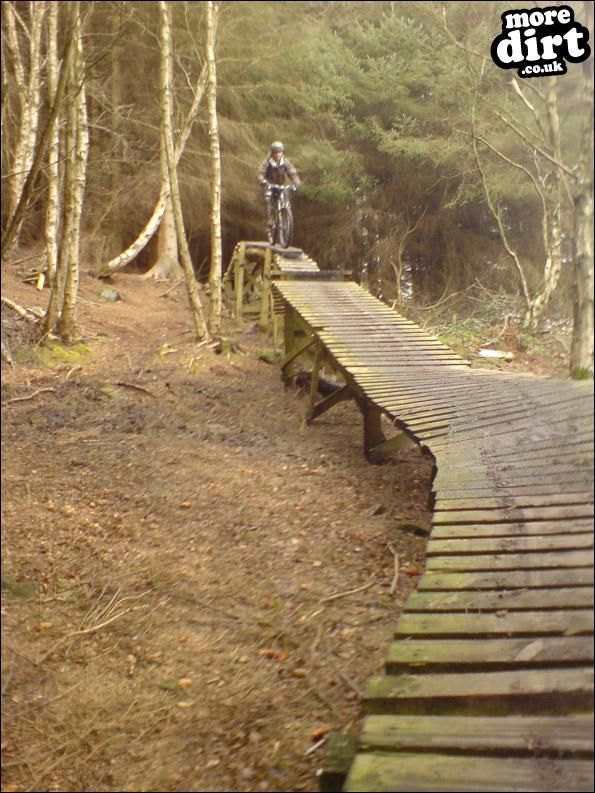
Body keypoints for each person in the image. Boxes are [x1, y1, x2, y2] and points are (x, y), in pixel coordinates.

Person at [257, 141, 301, 242]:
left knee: (286, 195)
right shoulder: (267, 162)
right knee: (268, 199)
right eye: (276, 152)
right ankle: (271, 219)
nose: (278, 154)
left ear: (282, 153)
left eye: (280, 152)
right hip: (269, 185)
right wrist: (262, 180)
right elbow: (260, 173)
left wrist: (296, 183)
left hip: (281, 185)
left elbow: (292, 172)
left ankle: (286, 213)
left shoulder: (285, 161)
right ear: (272, 153)